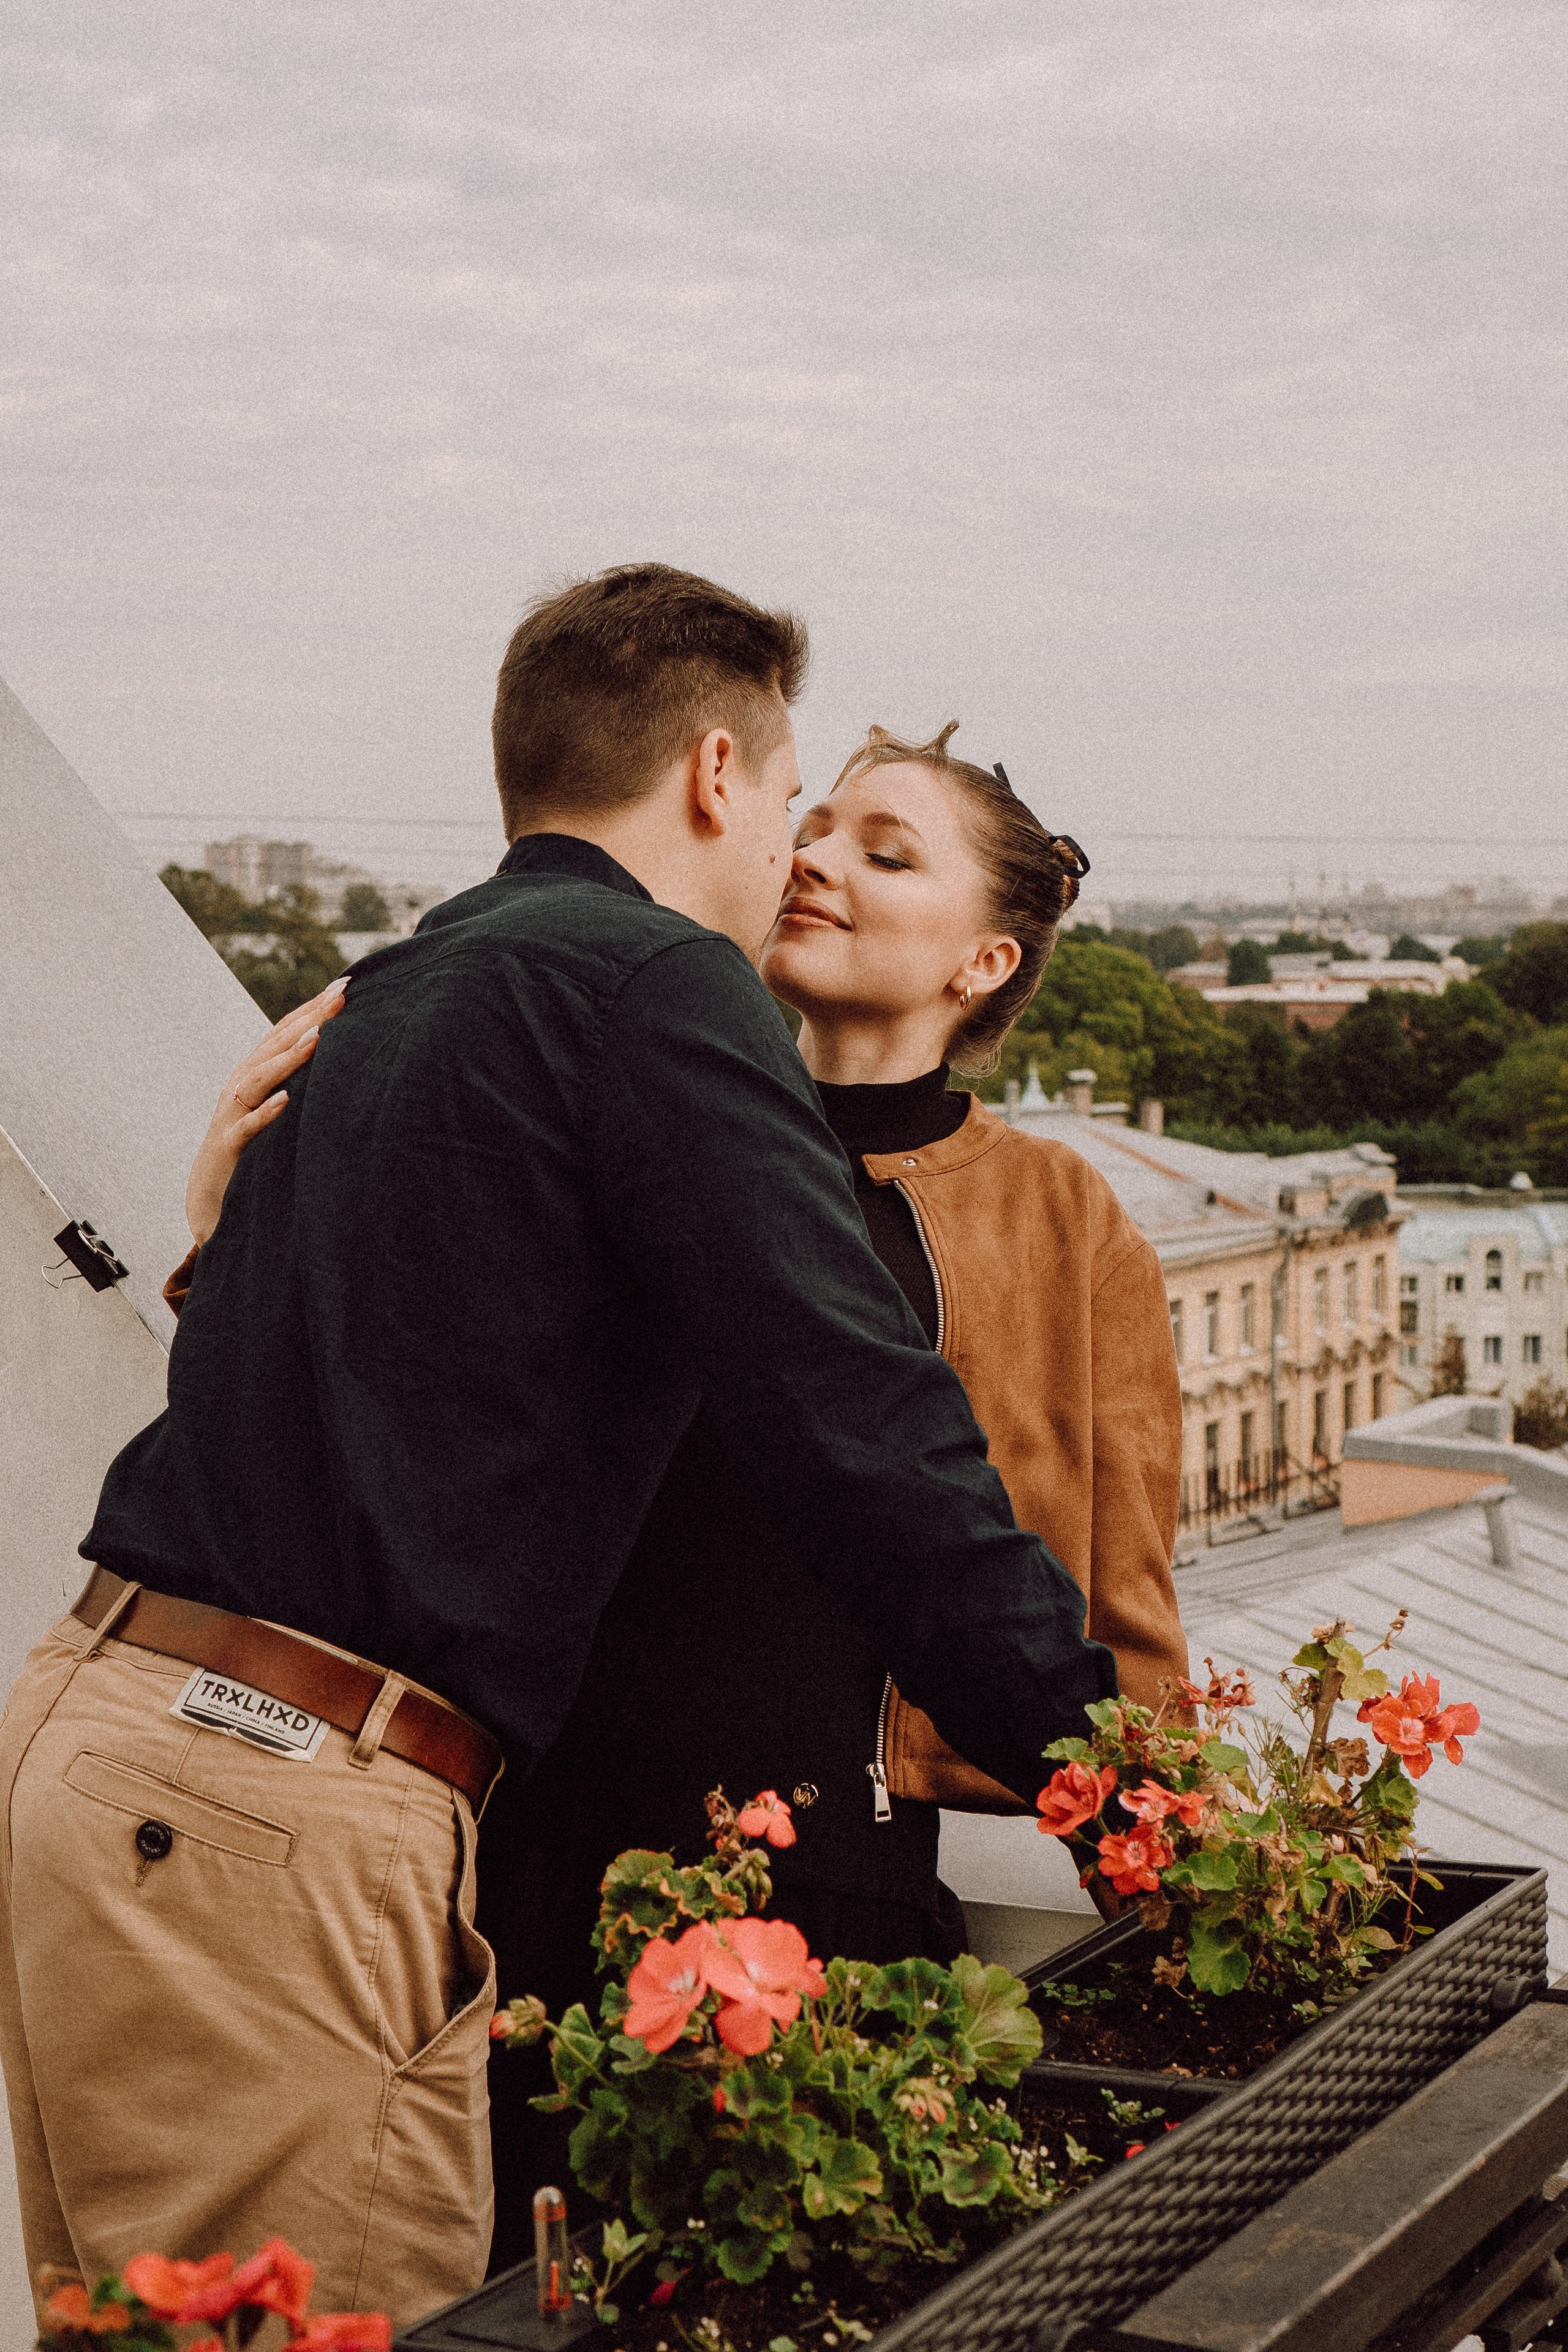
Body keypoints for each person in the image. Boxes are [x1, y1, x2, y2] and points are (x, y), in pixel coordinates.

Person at [0, 567, 1117, 2330]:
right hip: (267, 1794)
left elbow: (391, 1375)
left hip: (110, 1746)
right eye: (794, 798)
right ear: (714, 775)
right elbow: (866, 1431)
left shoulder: (407, 981)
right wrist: (1118, 1780)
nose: (793, 855)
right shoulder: (655, 983)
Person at [178, 729, 1186, 2272]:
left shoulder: (1063, 1220)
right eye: (818, 825)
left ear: (984, 961)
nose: (814, 860)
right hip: (538, 1847)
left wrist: (1170, 1860)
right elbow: (405, 1395)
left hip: (832, 1873)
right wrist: (227, 1230)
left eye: (884, 851)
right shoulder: (637, 1105)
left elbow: (1119, 1589)